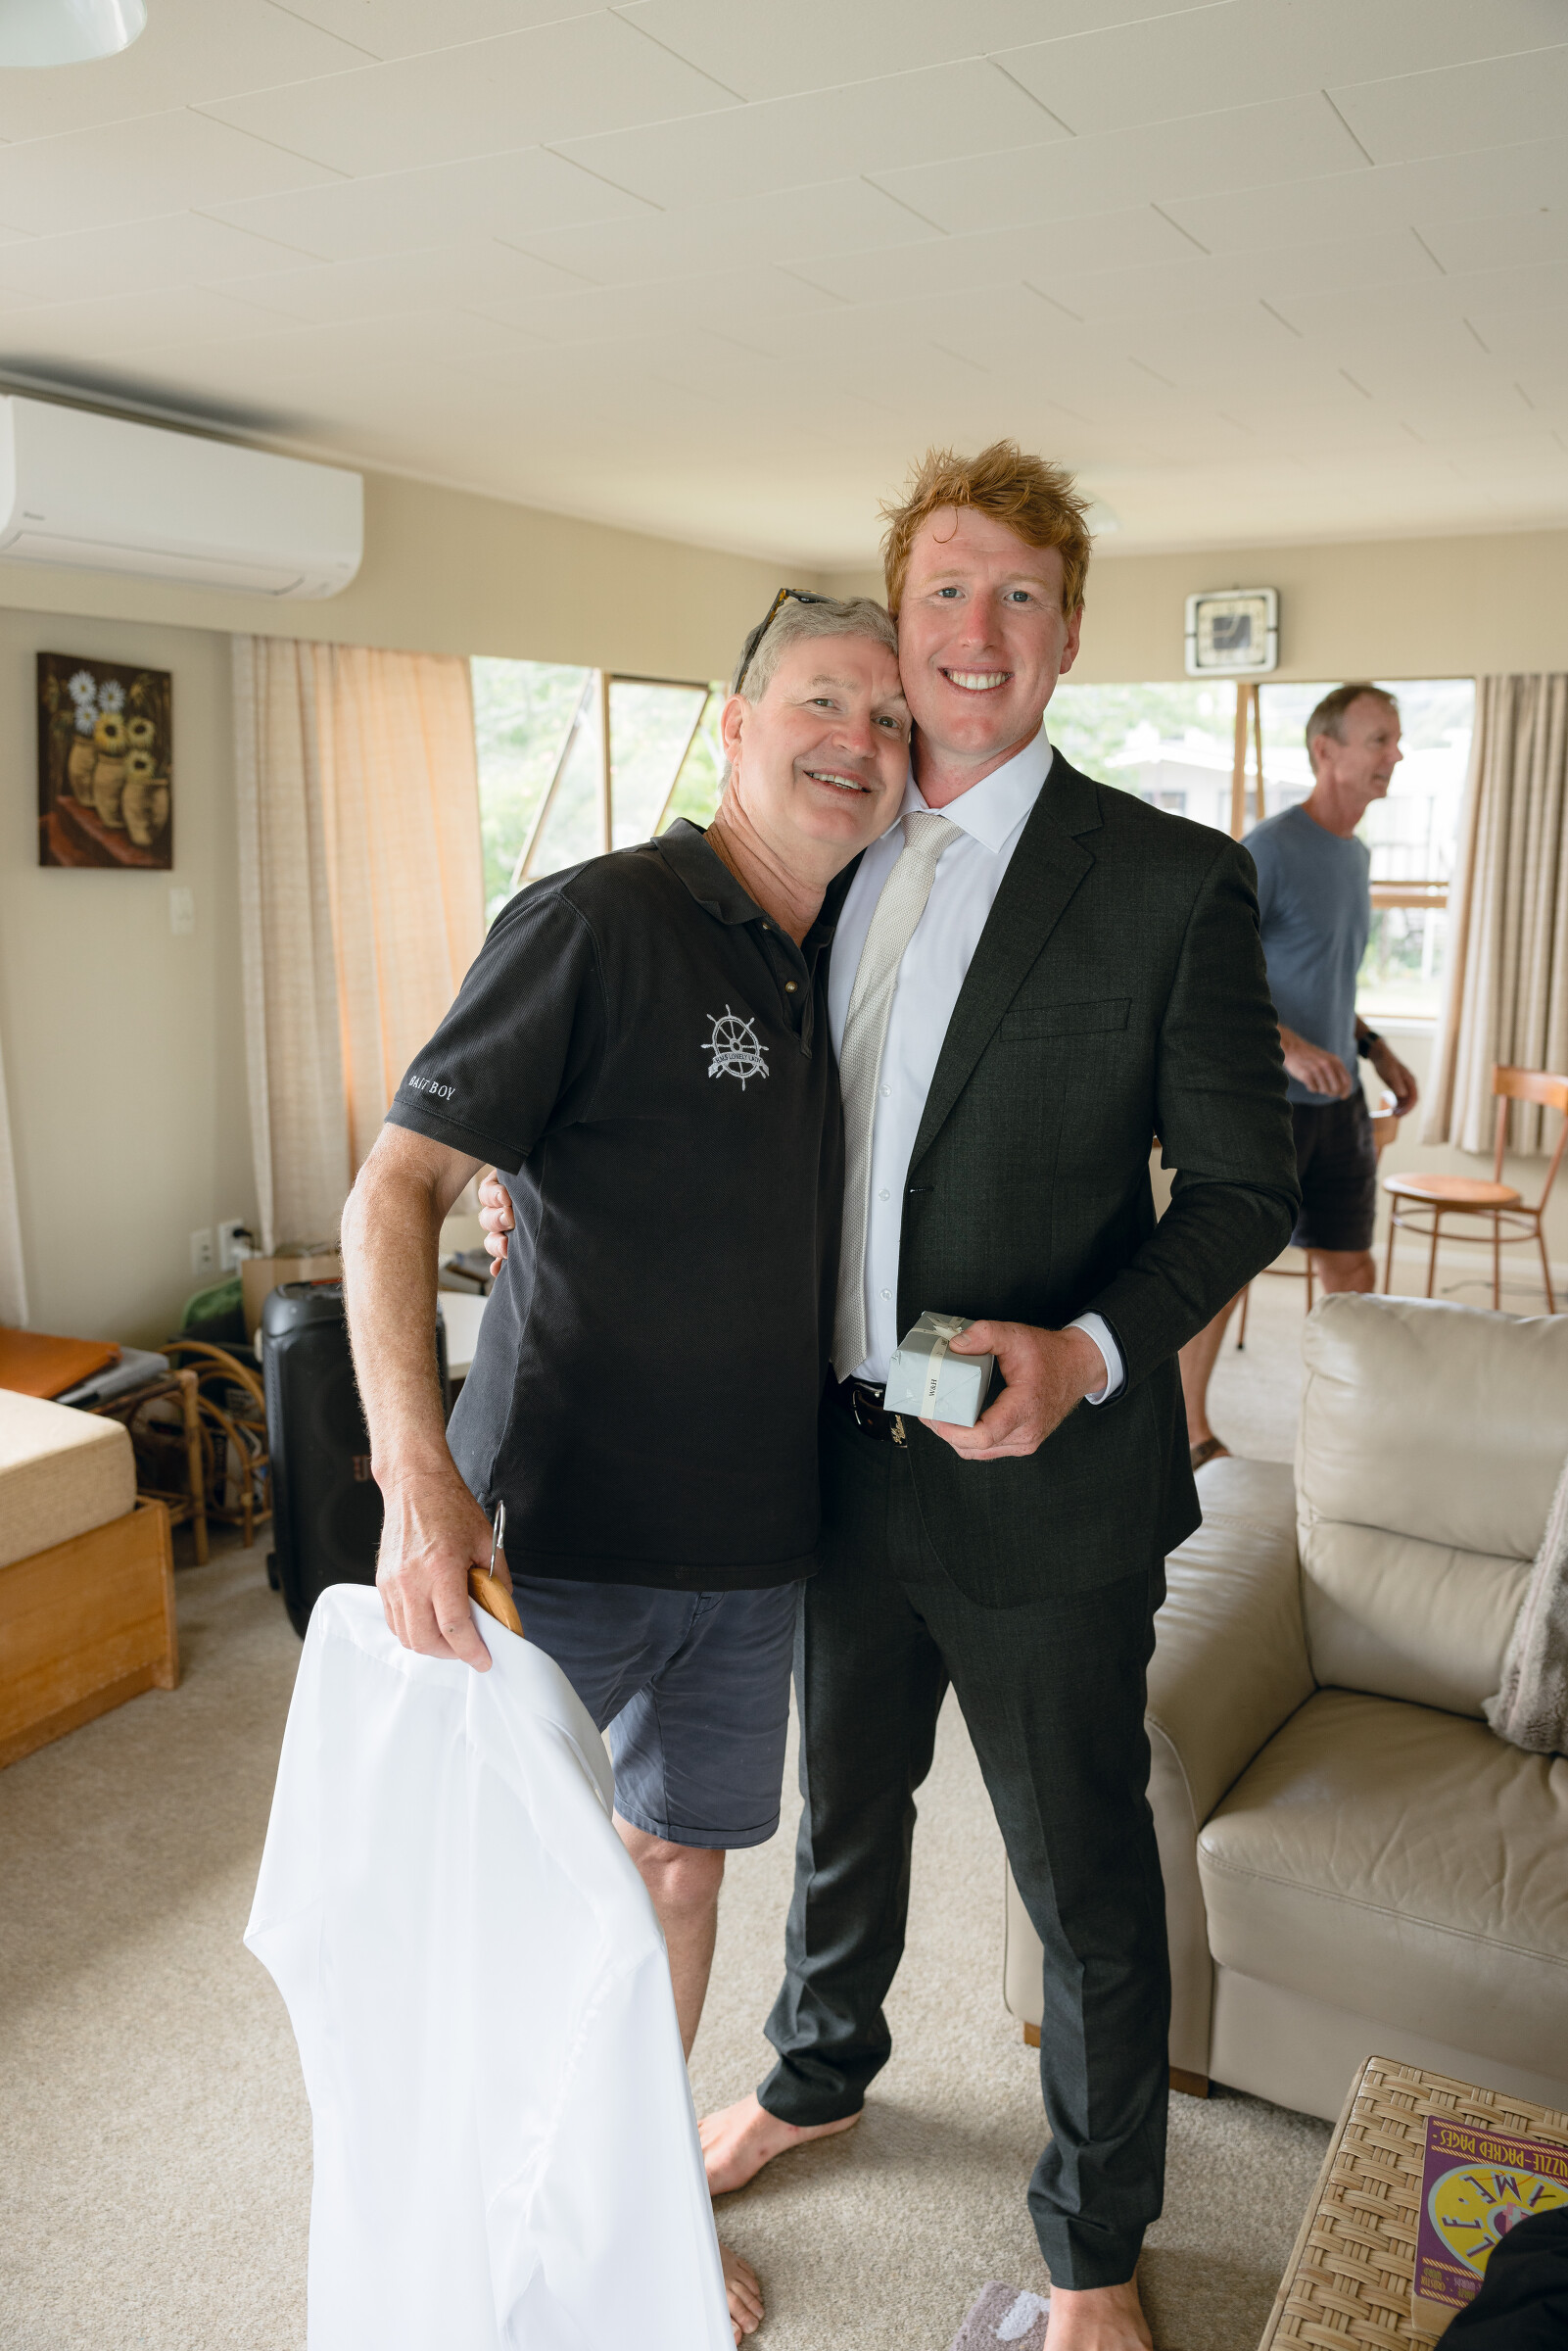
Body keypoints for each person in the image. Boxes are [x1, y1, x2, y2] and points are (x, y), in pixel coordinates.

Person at [484, 441, 1301, 2351]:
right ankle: (817, 2071)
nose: (972, 632)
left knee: (1079, 1881)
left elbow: (1245, 1186)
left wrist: (1088, 1352)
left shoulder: (1165, 880)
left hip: (1045, 1486)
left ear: (1066, 636)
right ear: (895, 617)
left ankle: (1092, 2250)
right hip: (823, 1464)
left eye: (1017, 596)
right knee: (841, 1809)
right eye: (942, 590)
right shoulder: (815, 854)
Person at [340, 591, 910, 2345]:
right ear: (734, 727)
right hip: (554, 1533)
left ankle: (625, 2202)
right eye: (823, 702)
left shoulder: (860, 939)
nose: (860, 743)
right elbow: (395, 1191)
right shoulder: (600, 917)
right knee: (509, 1904)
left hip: (751, 1542)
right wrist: (416, 1479)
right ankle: (484, 2235)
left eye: (891, 719)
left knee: (678, 1870)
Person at [1179, 683, 1419, 1467]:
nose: (1394, 754)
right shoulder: (1270, 849)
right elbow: (1213, 968)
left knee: (1349, 1261)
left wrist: (1371, 1045)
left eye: (1395, 740)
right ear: (1325, 750)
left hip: (1337, 1100)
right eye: (1379, 739)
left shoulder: (1354, 855)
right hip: (1265, 1104)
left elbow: (1321, 976)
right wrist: (1284, 1046)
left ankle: (1356, 1420)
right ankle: (1187, 1431)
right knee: (1229, 1267)